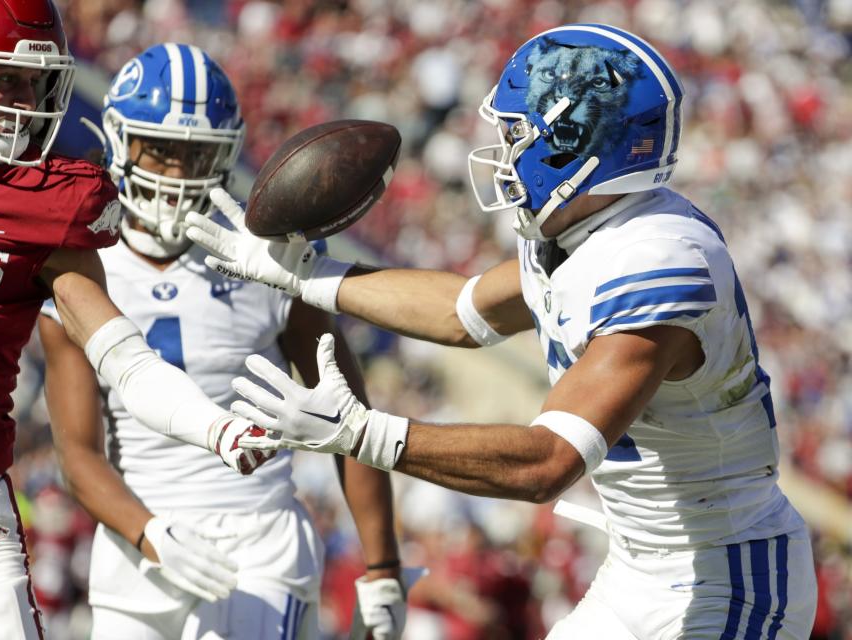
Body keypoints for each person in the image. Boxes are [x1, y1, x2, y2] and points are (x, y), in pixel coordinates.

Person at [185, 24, 818, 639]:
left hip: (727, 575)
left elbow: (547, 463)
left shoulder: (658, 260)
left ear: (573, 143)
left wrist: (362, 434)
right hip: (639, 566)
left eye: (517, 134)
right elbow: (460, 311)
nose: (505, 152)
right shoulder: (585, 232)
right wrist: (306, 276)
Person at [0, 2, 258, 637]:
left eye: (36, 82)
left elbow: (120, 352)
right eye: (6, 78)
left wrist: (214, 426)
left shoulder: (45, 202)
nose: (25, 100)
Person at [38, 43, 411, 639]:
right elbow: (78, 453)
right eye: (159, 150)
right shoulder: (78, 267)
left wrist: (383, 564)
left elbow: (350, 419)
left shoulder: (268, 259)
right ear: (118, 141)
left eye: (195, 154)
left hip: (259, 538)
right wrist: (149, 531)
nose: (178, 172)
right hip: (139, 544)